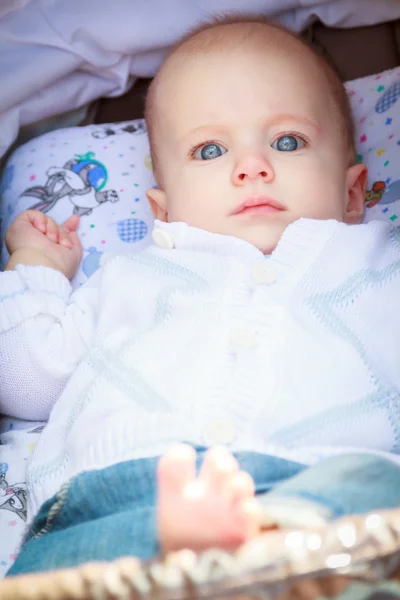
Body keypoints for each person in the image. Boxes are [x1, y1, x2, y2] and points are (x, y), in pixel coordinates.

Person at [2, 16, 400, 577]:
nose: (251, 167)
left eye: (288, 141)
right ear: (162, 211)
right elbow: (26, 381)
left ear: (353, 192)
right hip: (122, 498)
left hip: (331, 483)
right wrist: (37, 267)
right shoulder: (130, 274)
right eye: (210, 150)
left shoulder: (381, 261)